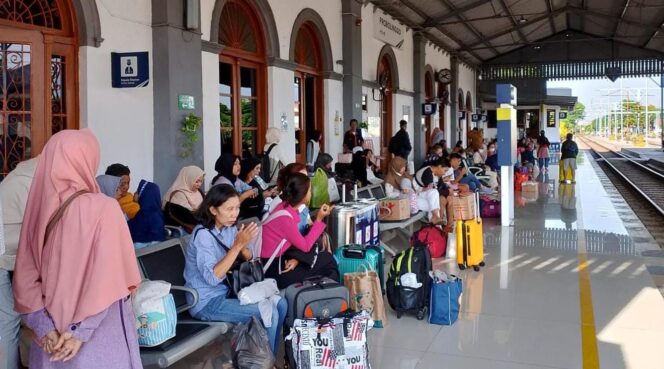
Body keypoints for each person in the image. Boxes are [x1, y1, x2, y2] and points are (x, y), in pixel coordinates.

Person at [12, 129, 142, 368]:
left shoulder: (38, 211)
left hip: (50, 345)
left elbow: (25, 279)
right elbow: (110, 280)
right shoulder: (106, 209)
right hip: (99, 344)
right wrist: (79, 332)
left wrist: (45, 328)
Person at [183, 184, 286, 356]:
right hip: (206, 302)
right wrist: (238, 245)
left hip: (229, 292)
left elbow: (249, 256)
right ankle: (268, 362)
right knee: (268, 311)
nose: (235, 214)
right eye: (229, 209)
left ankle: (269, 359)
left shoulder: (228, 228)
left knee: (280, 304)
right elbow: (213, 277)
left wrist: (243, 245)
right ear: (213, 210)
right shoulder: (202, 235)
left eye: (237, 207)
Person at [260, 173, 339, 290]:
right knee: (328, 260)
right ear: (303, 195)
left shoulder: (283, 207)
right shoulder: (285, 219)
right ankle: (331, 297)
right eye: (310, 191)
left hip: (280, 262)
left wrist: (297, 259)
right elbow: (306, 246)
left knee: (325, 260)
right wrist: (319, 219)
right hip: (276, 273)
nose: (311, 194)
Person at [0, 157, 37, 369]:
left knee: (8, 320)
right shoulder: (31, 182)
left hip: (11, 256)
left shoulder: (19, 177)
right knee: (8, 320)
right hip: (8, 257)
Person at [162, 166, 205, 233]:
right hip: (182, 232)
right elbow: (189, 217)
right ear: (188, 179)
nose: (199, 184)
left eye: (201, 181)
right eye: (196, 181)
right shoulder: (178, 194)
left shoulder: (199, 192)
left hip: (197, 228)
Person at [128, 180, 166, 248]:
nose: (134, 193)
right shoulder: (147, 213)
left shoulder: (149, 216)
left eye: (137, 191)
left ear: (145, 194)